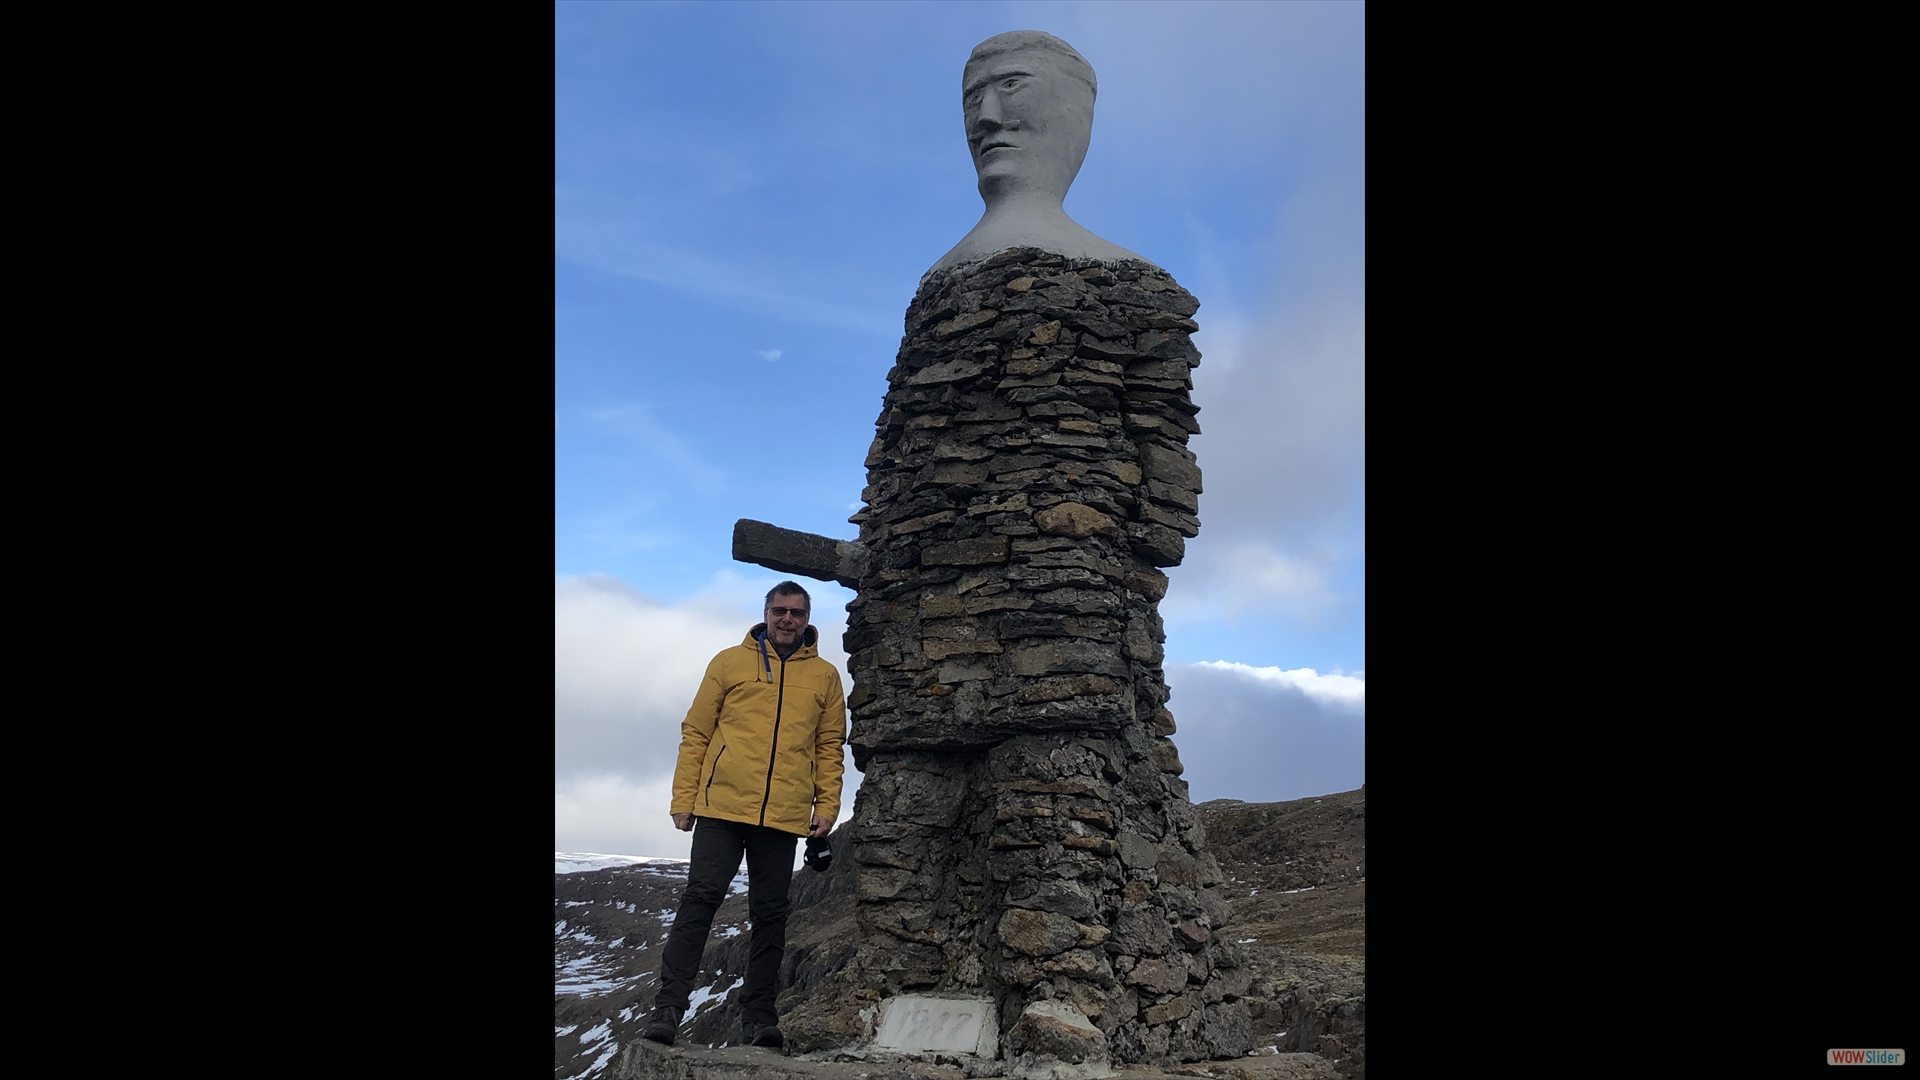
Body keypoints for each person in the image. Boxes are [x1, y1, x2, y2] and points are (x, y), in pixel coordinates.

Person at [641, 581, 846, 1050]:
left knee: (771, 916)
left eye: (796, 612)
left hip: (783, 815)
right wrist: (683, 799)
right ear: (766, 613)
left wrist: (827, 807)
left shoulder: (826, 676)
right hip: (722, 807)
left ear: (808, 618)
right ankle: (667, 1011)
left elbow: (829, 745)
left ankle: (759, 1019)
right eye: (780, 611)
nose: (787, 619)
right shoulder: (728, 662)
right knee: (699, 903)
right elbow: (697, 731)